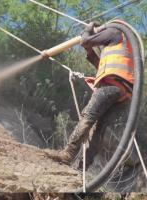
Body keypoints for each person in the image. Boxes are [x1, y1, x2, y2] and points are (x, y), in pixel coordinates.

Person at [46, 21, 135, 164]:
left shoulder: (114, 32)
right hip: (125, 94)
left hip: (111, 85)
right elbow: (100, 65)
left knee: (88, 117)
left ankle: (68, 154)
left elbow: (85, 40)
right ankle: (83, 165)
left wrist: (87, 30)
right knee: (99, 128)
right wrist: (89, 50)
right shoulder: (126, 46)